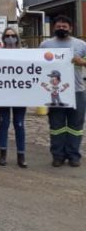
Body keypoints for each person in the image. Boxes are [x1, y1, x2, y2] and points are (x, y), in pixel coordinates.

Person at [39, 14, 86, 167]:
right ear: (54, 28)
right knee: (56, 125)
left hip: (77, 91)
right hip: (55, 92)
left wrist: (82, 61)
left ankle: (74, 155)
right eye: (58, 26)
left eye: (64, 27)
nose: (61, 28)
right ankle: (57, 156)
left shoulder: (81, 45)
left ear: (70, 28)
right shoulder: (45, 45)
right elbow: (36, 66)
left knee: (75, 126)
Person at [0, 27, 27, 168]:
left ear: (17, 37)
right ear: (3, 38)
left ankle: (21, 156)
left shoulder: (24, 54)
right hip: (2, 94)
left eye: (13, 35)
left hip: (20, 94)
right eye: (7, 36)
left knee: (19, 124)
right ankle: (3, 154)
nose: (10, 38)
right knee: (4, 123)